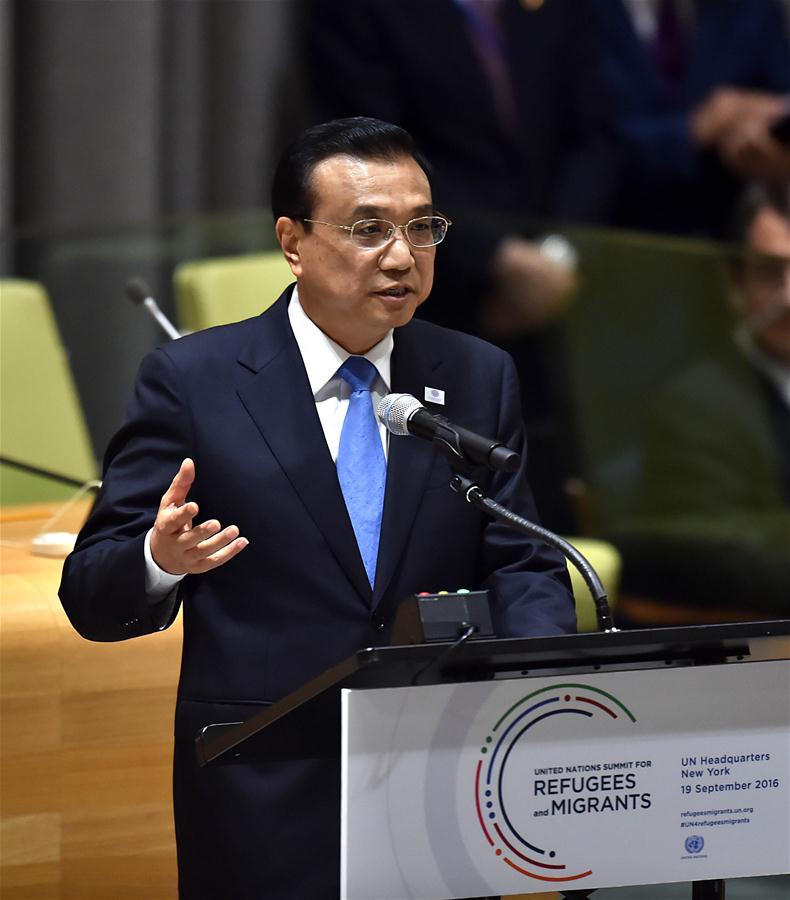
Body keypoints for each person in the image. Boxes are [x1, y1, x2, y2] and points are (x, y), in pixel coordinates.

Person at [58, 117, 576, 899]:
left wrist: (539, 694)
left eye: (421, 227)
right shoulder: (195, 380)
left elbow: (523, 560)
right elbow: (91, 593)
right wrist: (159, 560)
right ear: (292, 241)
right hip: (264, 784)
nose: (402, 256)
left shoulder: (476, 374)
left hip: (440, 782)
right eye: (368, 228)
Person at [616, 183, 790, 622]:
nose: (789, 296)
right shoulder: (696, 403)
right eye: (771, 272)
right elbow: (726, 559)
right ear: (736, 283)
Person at [593, 0, 790, 237]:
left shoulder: (751, 8)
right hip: (608, 230)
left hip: (729, 230)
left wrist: (768, 139)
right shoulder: (581, 12)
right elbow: (585, 144)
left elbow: (779, 101)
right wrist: (695, 129)